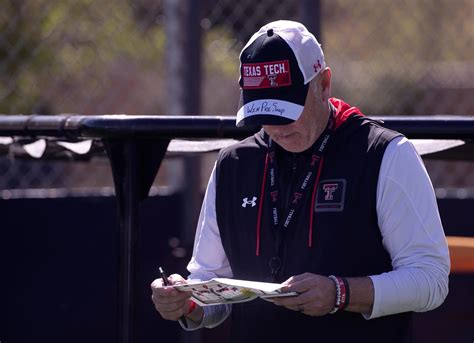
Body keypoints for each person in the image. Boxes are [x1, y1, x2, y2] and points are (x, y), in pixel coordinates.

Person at [151, 20, 450, 342]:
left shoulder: (384, 153)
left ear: (324, 84)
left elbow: (430, 281)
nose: (276, 127)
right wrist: (187, 301)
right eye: (262, 113)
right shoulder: (234, 163)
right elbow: (211, 282)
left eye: (286, 110)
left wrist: (341, 293)